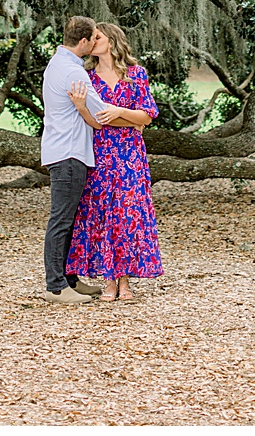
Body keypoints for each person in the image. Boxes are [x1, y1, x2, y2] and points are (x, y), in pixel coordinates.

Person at [65, 20, 164, 301]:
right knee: (102, 213)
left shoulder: (135, 74)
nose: (92, 41)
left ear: (112, 39)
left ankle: (125, 280)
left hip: (130, 155)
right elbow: (97, 121)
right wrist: (125, 119)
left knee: (127, 213)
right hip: (98, 152)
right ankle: (108, 280)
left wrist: (118, 111)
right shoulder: (87, 77)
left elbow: (147, 116)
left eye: (98, 36)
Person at [39, 15, 111, 303]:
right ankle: (56, 287)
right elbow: (101, 114)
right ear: (83, 42)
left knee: (67, 219)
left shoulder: (57, 64)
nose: (95, 43)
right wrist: (134, 117)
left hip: (63, 150)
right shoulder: (75, 74)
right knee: (61, 220)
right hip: (69, 153)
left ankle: (69, 279)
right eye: (93, 38)